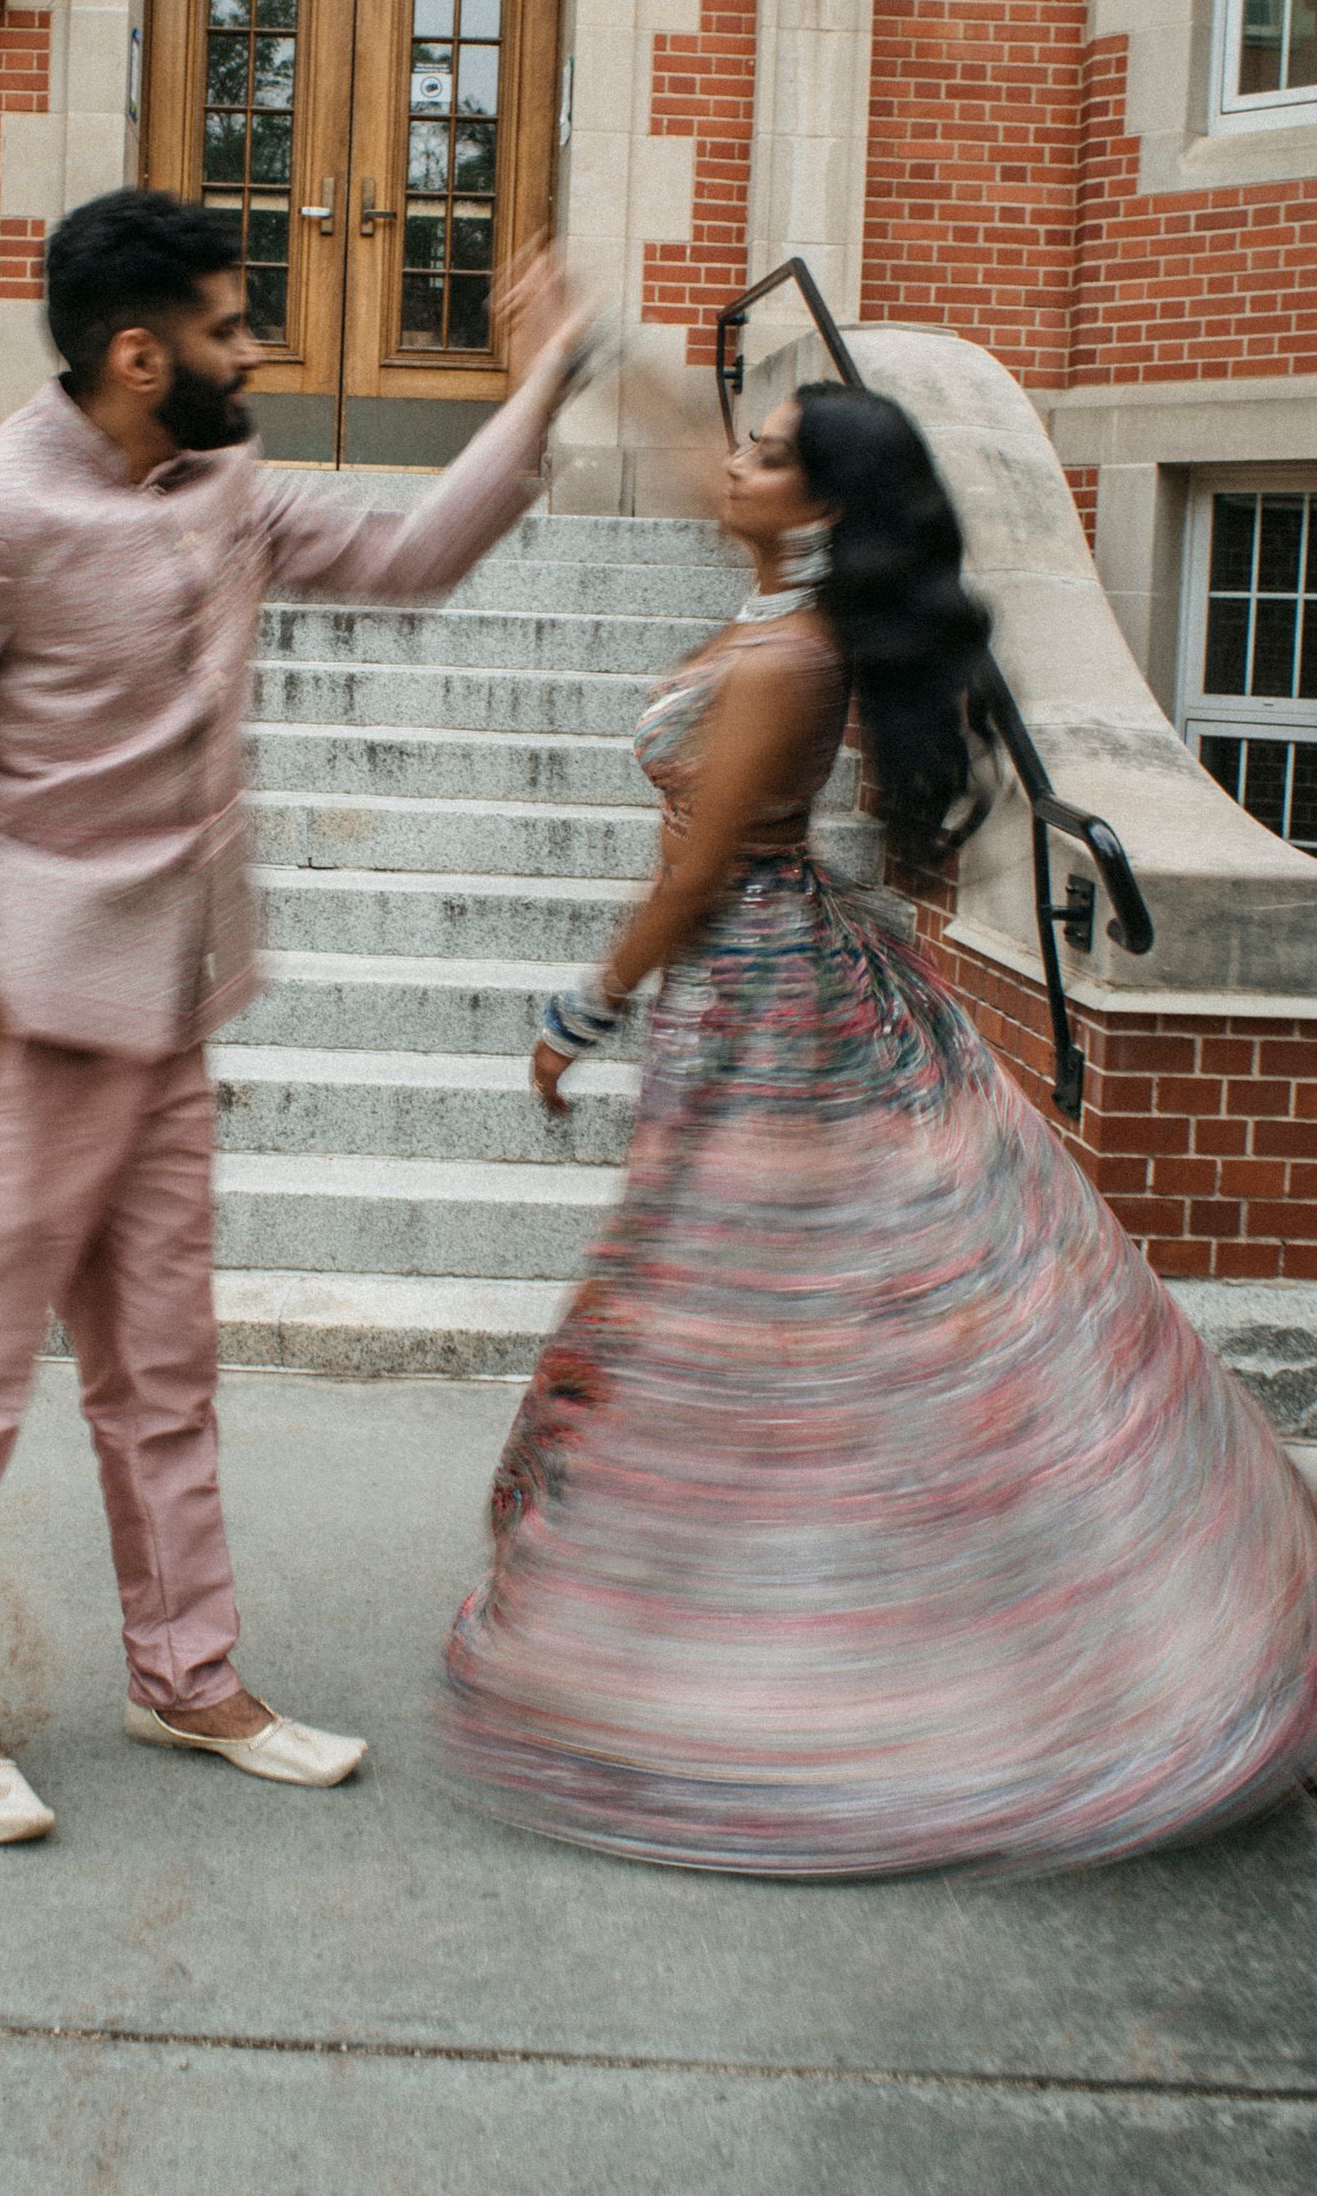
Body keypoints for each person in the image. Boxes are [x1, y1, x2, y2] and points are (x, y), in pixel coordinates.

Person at [441, 381, 1317, 1877]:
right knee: (759, 1318)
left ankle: (832, 1654)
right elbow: (688, 455)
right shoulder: (780, 608)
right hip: (758, 991)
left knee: (762, 1315)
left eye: (767, 453)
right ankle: (785, 1599)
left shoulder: (790, 655)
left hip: (765, 993)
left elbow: (698, 873)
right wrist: (587, 346)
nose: (732, 460)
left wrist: (580, 1013)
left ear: (823, 506)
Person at [0, 186, 587, 1844]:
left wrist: (544, 386)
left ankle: (190, 1675)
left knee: (163, 1375)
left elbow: (409, 550)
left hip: (168, 1012)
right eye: (234, 326)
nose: (257, 349)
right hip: (14, 1031)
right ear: (142, 352)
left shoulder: (220, 477)